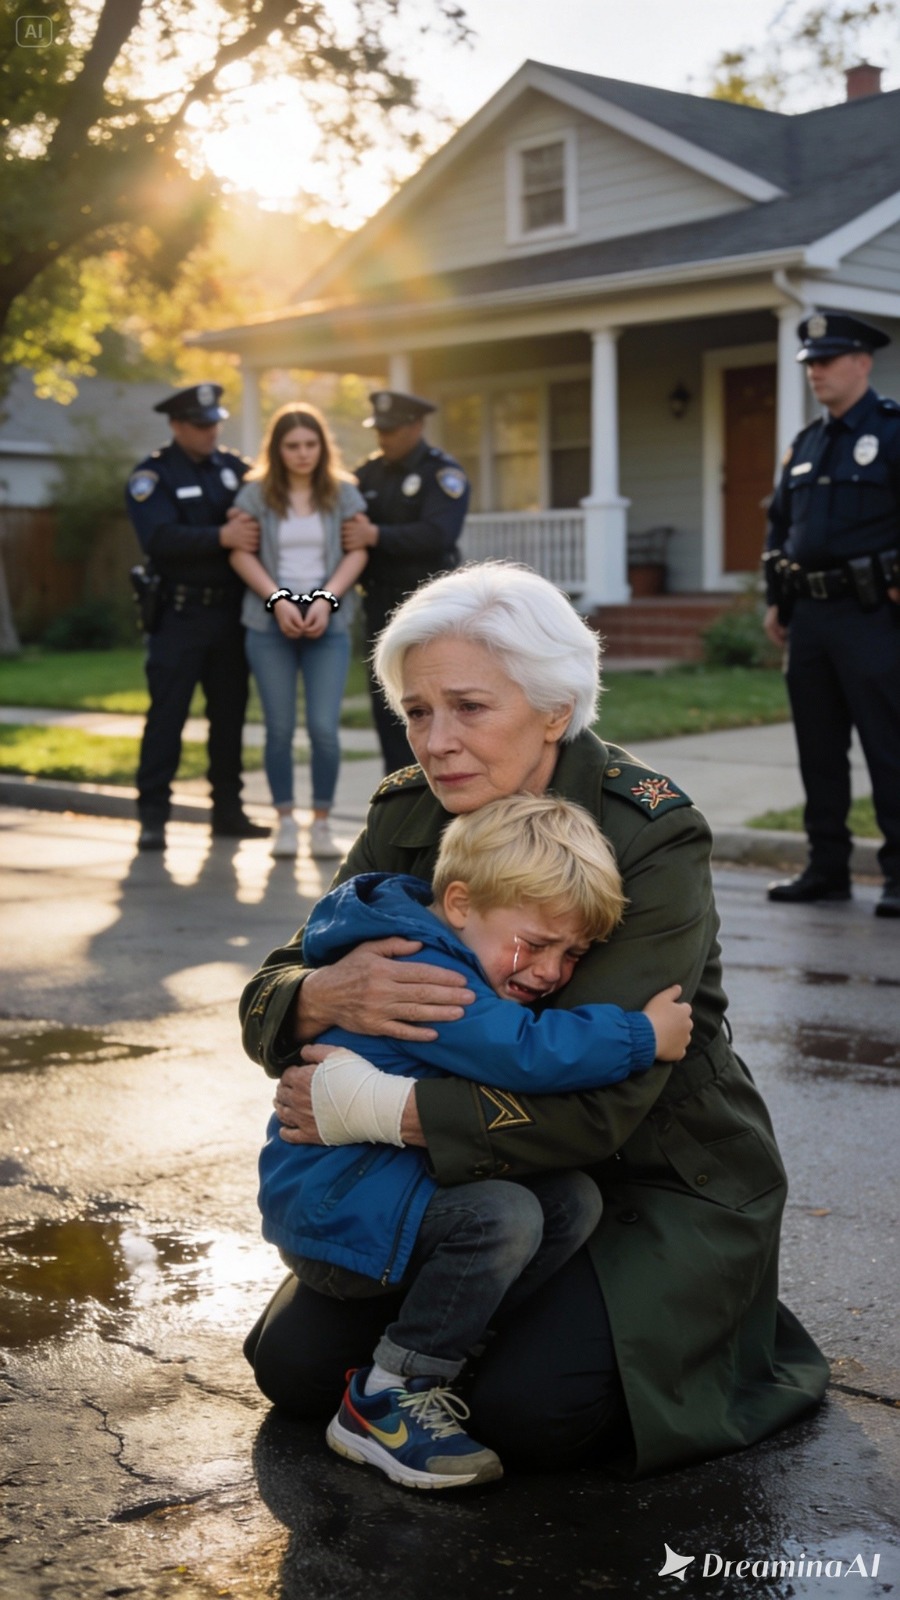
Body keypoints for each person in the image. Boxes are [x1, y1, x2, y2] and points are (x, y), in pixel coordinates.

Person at [240, 561, 829, 1481]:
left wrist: (374, 1110)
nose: (437, 742)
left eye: (469, 707)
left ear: (554, 710)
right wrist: (320, 996)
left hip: (642, 1171)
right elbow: (280, 980)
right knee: (296, 1371)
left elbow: (601, 1105)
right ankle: (453, 1339)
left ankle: (692, 1312)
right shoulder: (412, 810)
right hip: (457, 1181)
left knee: (532, 1413)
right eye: (417, 710)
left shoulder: (649, 834)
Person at [258, 792, 692, 1490]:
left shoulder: (450, 942)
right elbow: (523, 1053)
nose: (551, 972)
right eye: (536, 944)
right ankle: (386, 1399)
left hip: (380, 1183)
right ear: (459, 906)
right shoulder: (430, 974)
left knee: (569, 1199)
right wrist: (643, 1035)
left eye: (573, 954)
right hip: (337, 1206)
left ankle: (446, 1342)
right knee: (506, 1215)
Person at [763, 310, 900, 917]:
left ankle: (899, 875)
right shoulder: (807, 443)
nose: (815, 371)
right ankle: (827, 868)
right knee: (818, 749)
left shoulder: (894, 431)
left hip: (874, 613)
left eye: (827, 360)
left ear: (862, 363)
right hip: (811, 619)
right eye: (810, 362)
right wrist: (777, 598)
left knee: (888, 745)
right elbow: (781, 527)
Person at [125, 382, 269, 852]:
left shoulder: (235, 469)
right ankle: (152, 816)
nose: (211, 431)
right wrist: (222, 538)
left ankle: (228, 811)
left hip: (230, 615)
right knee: (167, 716)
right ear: (177, 425)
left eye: (215, 423)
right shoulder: (154, 475)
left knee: (228, 719)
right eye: (201, 425)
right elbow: (159, 539)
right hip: (179, 616)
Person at [229, 404, 368, 861]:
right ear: (277, 448)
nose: (303, 453)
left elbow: (357, 551)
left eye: (311, 444)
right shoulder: (254, 494)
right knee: (279, 729)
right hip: (269, 623)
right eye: (292, 446)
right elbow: (241, 553)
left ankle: (322, 824)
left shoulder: (344, 492)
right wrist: (278, 600)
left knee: (324, 730)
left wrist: (328, 599)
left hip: (328, 622)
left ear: (322, 446)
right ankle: (285, 822)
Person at [341, 389, 469, 774]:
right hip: (380, 604)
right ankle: (400, 800)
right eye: (379, 430)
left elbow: (438, 534)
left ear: (417, 426)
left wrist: (376, 536)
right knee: (390, 706)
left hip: (432, 608)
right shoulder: (367, 473)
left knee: (438, 704)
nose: (384, 437)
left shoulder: (441, 473)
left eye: (392, 430)